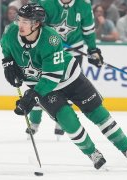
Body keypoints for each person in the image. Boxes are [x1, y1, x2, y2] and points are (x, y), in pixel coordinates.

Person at [0, 3, 127, 170]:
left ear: (37, 24)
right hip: (41, 84)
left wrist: (33, 95)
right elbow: (6, 47)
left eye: (26, 21)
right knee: (67, 120)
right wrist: (8, 62)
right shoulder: (10, 32)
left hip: (69, 78)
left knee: (98, 113)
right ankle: (92, 153)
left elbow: (52, 77)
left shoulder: (51, 39)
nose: (20, 24)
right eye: (20, 20)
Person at [26, 0, 104, 138]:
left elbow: (88, 30)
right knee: (40, 86)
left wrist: (93, 50)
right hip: (49, 52)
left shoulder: (84, 5)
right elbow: (39, 27)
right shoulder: (47, 4)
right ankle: (34, 122)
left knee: (69, 88)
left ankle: (62, 122)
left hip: (73, 53)